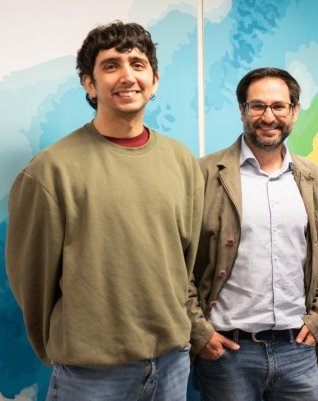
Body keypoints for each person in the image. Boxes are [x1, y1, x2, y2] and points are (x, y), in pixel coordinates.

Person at [5, 21, 203, 401]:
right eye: (111, 65)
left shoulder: (181, 160)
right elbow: (32, 279)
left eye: (137, 63)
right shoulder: (50, 170)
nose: (127, 75)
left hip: (172, 363)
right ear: (89, 84)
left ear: (155, 80)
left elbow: (186, 260)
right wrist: (66, 347)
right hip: (91, 375)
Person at [188, 67, 318, 401]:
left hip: (297, 351)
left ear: (294, 110)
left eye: (279, 106)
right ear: (242, 110)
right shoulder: (204, 175)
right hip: (228, 353)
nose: (268, 117)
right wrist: (199, 331)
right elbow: (179, 263)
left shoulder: (313, 178)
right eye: (257, 106)